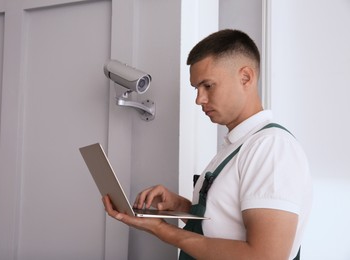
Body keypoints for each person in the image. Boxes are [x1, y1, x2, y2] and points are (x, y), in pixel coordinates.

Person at [102, 29, 313, 260]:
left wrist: (162, 229)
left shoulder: (271, 148)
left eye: (208, 86)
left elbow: (264, 256)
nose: (199, 99)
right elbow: (225, 225)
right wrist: (180, 206)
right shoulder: (238, 145)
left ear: (246, 77)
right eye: (196, 88)